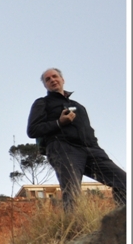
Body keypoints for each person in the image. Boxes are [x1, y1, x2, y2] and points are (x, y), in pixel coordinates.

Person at [26, 68, 126, 212]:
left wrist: (95, 145)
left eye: (55, 76)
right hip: (64, 149)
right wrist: (59, 122)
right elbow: (32, 130)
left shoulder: (79, 106)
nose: (52, 80)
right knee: (72, 193)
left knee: (124, 181)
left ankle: (123, 221)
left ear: (62, 79)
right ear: (45, 85)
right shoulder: (42, 103)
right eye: (48, 79)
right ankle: (75, 231)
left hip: (92, 150)